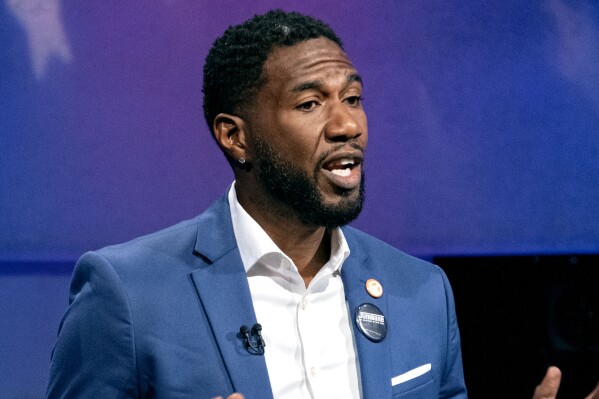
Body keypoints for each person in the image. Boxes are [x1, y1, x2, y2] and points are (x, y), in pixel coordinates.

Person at [46, 10, 470, 398]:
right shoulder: (129, 296)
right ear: (235, 137)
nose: (347, 125)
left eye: (353, 98)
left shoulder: (423, 292)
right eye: (310, 104)